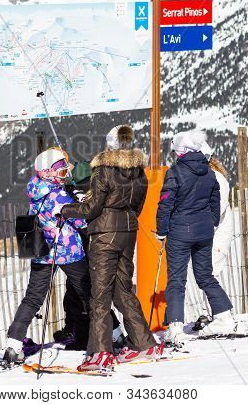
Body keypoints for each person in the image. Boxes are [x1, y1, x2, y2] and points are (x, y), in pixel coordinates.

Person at [55, 125, 162, 371]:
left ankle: (100, 352)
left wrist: (66, 209)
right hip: (128, 232)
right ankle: (143, 343)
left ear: (110, 144)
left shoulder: (104, 170)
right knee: (123, 290)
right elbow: (138, 205)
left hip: (104, 236)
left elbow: (91, 210)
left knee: (100, 295)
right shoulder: (139, 172)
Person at [2, 148, 91, 364]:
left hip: (42, 253)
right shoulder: (59, 195)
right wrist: (79, 200)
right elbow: (81, 222)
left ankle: (13, 345)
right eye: (60, 172)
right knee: (90, 293)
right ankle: (112, 335)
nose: (63, 176)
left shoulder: (35, 190)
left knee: (33, 298)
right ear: (48, 173)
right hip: (68, 251)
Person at [156, 130, 234, 347]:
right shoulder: (208, 172)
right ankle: (224, 317)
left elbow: (165, 204)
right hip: (204, 232)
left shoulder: (175, 172)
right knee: (205, 275)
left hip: (180, 232)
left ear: (181, 151)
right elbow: (215, 200)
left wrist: (161, 230)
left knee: (177, 280)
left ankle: (175, 328)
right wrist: (211, 223)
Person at [53, 159, 126, 352]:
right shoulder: (96, 191)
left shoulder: (76, 194)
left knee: (83, 294)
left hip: (82, 249)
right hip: (98, 246)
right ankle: (114, 334)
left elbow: (81, 218)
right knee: (88, 293)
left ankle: (88, 335)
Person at [190, 141, 233, 330]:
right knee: (204, 273)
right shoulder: (201, 177)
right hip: (205, 234)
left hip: (216, 234)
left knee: (209, 273)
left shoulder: (216, 178)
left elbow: (219, 208)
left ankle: (223, 316)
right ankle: (211, 312)